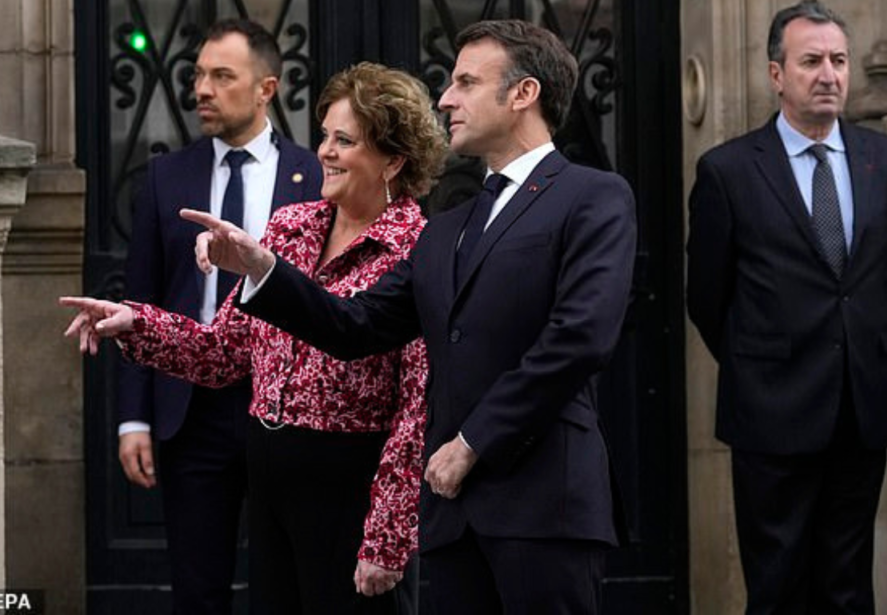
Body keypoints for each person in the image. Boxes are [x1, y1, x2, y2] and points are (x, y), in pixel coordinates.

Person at [182, 19, 636, 615]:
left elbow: (578, 339)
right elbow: (354, 326)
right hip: (453, 521)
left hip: (543, 510)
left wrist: (472, 441)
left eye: (467, 82)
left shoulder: (594, 196)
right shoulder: (449, 226)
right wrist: (263, 267)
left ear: (524, 94)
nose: (447, 98)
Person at [63, 62, 448, 614]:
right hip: (268, 472)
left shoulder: (417, 250)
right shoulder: (291, 227)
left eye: (345, 140)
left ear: (394, 159)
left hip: (349, 486)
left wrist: (387, 538)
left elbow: (416, 412)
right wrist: (136, 323)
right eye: (324, 136)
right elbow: (223, 352)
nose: (325, 152)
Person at [686, 1, 887, 613]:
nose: (829, 75)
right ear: (775, 74)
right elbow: (707, 299)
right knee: (777, 586)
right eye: (811, 60)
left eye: (838, 61)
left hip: (860, 405)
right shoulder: (728, 171)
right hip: (770, 410)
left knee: (848, 585)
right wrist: (763, 359)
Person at [115, 17, 321, 615]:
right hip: (189, 409)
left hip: (282, 404)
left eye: (221, 76)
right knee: (198, 587)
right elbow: (140, 299)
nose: (201, 88)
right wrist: (133, 419)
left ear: (266, 89)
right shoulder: (165, 176)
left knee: (283, 585)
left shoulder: (313, 176)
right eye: (198, 74)